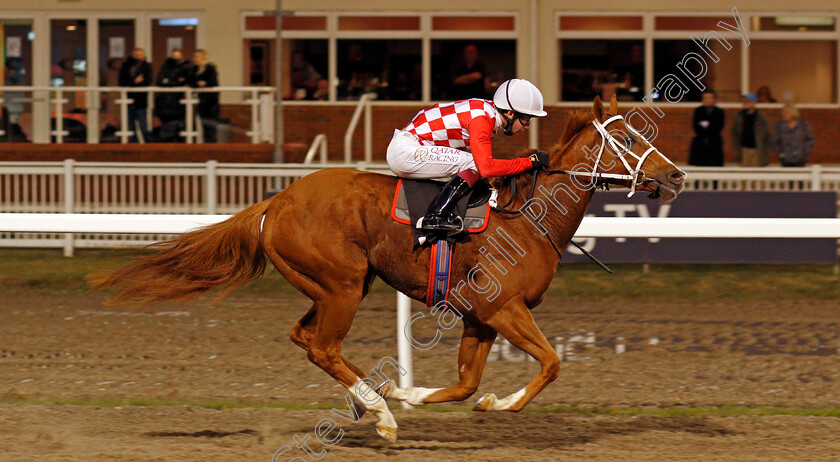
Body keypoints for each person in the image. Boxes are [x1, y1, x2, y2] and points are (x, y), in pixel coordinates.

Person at [387, 78, 549, 232]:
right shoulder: (482, 119)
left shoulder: (487, 113)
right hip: (406, 150)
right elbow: (485, 168)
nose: (527, 127)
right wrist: (529, 162)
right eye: (526, 119)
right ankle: (436, 215)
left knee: (473, 165)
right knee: (475, 164)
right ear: (510, 113)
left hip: (410, 147)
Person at [118, 48, 152, 142]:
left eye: (139, 55)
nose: (137, 57)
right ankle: (133, 144)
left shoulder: (146, 66)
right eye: (135, 55)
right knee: (130, 124)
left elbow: (148, 81)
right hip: (129, 98)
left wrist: (135, 82)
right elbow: (122, 82)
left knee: (143, 124)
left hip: (141, 100)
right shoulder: (126, 66)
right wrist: (134, 81)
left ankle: (148, 145)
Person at [731, 93, 771, 167]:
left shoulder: (761, 118)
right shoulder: (739, 117)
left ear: (753, 103)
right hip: (743, 150)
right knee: (744, 175)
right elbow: (735, 134)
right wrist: (737, 150)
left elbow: (767, 135)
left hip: (757, 150)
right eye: (743, 101)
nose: (744, 103)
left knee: (756, 175)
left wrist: (764, 150)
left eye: (747, 101)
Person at [189, 49, 220, 141]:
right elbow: (191, 82)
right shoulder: (193, 69)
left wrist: (205, 83)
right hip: (201, 101)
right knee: (203, 125)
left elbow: (213, 82)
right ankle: (205, 143)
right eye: (194, 57)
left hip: (211, 101)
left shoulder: (210, 68)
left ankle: (211, 145)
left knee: (211, 126)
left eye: (197, 57)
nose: (195, 59)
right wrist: (197, 83)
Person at [688, 89, 725, 166]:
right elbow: (696, 126)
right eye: (705, 98)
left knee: (714, 166)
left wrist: (707, 126)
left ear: (714, 99)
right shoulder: (698, 111)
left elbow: (718, 127)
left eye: (709, 98)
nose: (706, 100)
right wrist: (708, 127)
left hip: (714, 143)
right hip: (700, 143)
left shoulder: (719, 112)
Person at [772, 103, 814, 167]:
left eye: (787, 112)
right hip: (785, 160)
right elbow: (775, 141)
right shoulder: (780, 126)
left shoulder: (803, 124)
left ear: (793, 113)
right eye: (783, 112)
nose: (784, 114)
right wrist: (781, 154)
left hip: (800, 160)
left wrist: (805, 152)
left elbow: (810, 139)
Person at [154, 49, 189, 126]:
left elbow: (184, 81)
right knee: (166, 123)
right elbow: (160, 81)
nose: (175, 59)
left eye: (177, 57)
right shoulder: (166, 66)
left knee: (179, 123)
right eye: (173, 57)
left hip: (179, 101)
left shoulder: (186, 67)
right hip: (165, 102)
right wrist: (174, 81)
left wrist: (170, 81)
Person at [3, 58, 28, 141]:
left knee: (14, 128)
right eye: (12, 69)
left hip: (15, 109)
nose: (14, 72)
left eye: (17, 69)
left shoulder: (19, 81)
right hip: (6, 109)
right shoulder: (4, 81)